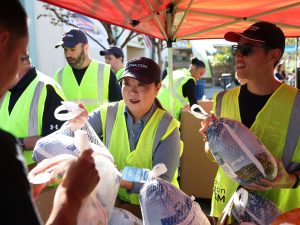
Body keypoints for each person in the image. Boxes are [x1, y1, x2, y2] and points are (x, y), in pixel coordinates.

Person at [0, 1, 99, 225]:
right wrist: (71, 195)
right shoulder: (5, 153)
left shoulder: (45, 87)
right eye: (21, 51)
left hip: (41, 185)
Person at [200, 21, 300, 221]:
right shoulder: (221, 100)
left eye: (246, 50)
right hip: (226, 210)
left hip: (278, 214)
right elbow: (214, 155)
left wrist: (290, 179)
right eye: (236, 49)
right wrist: (209, 140)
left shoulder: (297, 103)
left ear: (273, 56)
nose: (237, 55)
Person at [71, 57, 182, 218]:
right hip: (116, 206)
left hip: (160, 210)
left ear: (157, 88)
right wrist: (76, 123)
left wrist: (118, 178)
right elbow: (74, 135)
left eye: (141, 84)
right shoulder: (107, 113)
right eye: (127, 83)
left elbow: (161, 182)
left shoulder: (168, 127)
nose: (132, 91)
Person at [0, 53, 66, 167]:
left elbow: (60, 145)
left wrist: (19, 143)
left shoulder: (47, 88)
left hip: (43, 182)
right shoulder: (5, 89)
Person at [54, 28, 122, 112]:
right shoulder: (58, 76)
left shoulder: (106, 72)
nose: (68, 54)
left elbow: (118, 109)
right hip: (70, 125)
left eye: (72, 49)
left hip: (98, 125)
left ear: (85, 48)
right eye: (65, 49)